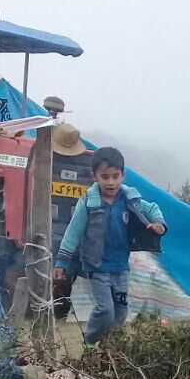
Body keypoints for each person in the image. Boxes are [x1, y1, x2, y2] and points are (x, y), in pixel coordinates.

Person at [54, 146, 167, 351]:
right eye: (105, 177)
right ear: (95, 176)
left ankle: (110, 348)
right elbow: (72, 233)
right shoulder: (88, 203)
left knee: (120, 311)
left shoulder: (130, 199)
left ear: (123, 175)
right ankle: (89, 342)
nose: (111, 182)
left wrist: (159, 224)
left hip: (120, 266)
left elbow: (152, 208)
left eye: (115, 176)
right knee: (105, 309)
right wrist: (62, 262)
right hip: (97, 266)